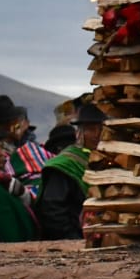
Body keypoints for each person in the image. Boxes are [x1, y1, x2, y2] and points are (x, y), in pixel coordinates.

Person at [36, 103, 105, 240]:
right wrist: (72, 238)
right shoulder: (65, 165)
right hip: (72, 237)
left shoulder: (112, 161)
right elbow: (53, 209)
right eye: (91, 129)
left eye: (102, 129)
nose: (97, 135)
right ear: (80, 132)